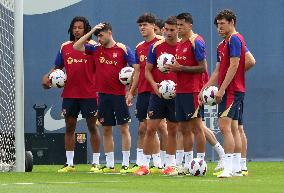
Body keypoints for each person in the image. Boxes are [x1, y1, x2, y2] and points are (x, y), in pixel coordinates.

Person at [73, 22, 136, 173]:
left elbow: (136, 70)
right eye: (97, 36)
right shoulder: (95, 49)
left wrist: (131, 91)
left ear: (110, 32)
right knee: (106, 129)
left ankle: (126, 164)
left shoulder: (123, 49)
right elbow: (76, 46)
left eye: (101, 35)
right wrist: (92, 31)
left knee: (124, 128)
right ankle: (109, 165)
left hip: (120, 95)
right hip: (102, 96)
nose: (99, 38)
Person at [42, 16, 101, 173]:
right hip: (70, 94)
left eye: (80, 27)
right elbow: (58, 67)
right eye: (74, 27)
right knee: (69, 127)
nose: (77, 30)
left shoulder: (93, 47)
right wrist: (47, 77)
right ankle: (69, 163)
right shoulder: (65, 47)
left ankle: (95, 163)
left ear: (86, 29)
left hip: (89, 93)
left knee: (92, 127)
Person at [200, 9, 247, 178]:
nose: (219, 27)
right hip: (231, 90)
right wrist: (204, 88)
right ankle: (236, 167)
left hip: (232, 91)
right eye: (217, 24)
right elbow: (218, 71)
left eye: (223, 23)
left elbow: (235, 65)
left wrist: (221, 89)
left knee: (225, 127)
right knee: (232, 128)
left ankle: (228, 167)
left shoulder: (235, 38)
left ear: (232, 22)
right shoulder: (223, 44)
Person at [135, 16, 179, 176]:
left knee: (173, 129)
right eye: (166, 29)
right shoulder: (156, 47)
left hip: (175, 95)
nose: (168, 32)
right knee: (150, 128)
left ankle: (170, 165)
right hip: (157, 94)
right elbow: (147, 70)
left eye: (171, 30)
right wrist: (155, 86)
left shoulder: (182, 47)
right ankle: (144, 166)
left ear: (178, 30)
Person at [126, 13, 167, 173]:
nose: (142, 28)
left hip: (158, 91)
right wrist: (131, 91)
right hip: (143, 91)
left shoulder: (162, 44)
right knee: (143, 128)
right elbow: (137, 72)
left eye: (145, 25)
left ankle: (164, 162)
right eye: (140, 25)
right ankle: (146, 163)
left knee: (161, 127)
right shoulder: (139, 47)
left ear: (153, 26)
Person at [166, 13, 207, 172]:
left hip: (193, 91)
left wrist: (180, 68)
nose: (178, 28)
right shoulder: (180, 43)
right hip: (180, 90)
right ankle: (188, 164)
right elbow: (179, 67)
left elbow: (202, 67)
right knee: (183, 128)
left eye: (181, 25)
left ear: (190, 25)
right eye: (177, 25)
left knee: (197, 127)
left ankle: (201, 163)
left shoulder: (196, 41)